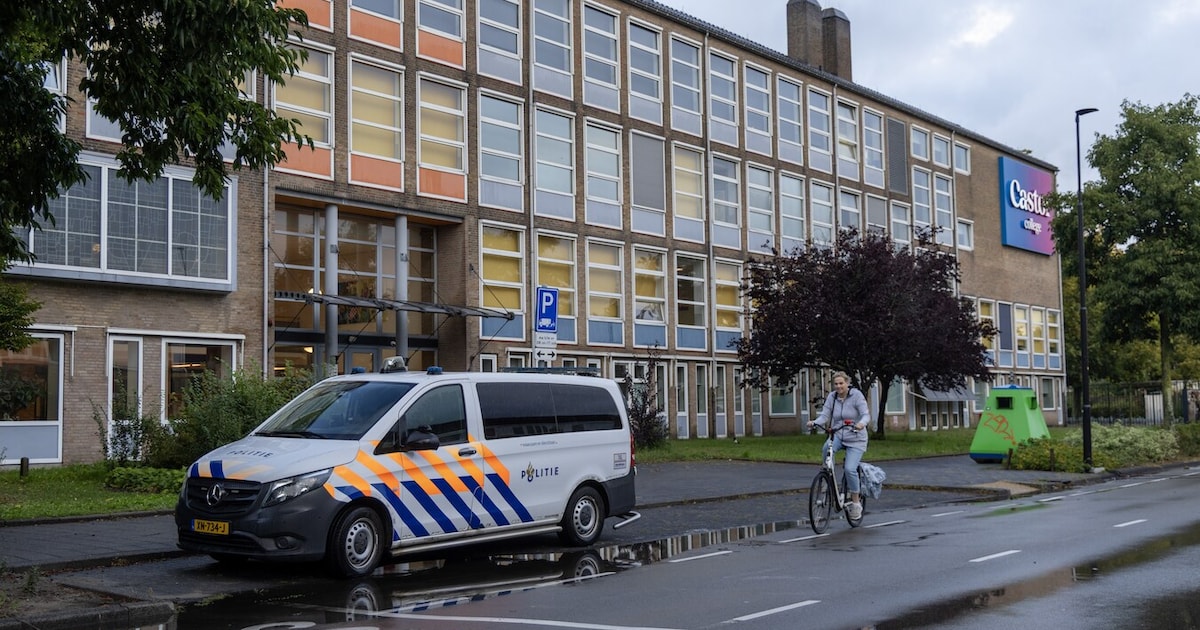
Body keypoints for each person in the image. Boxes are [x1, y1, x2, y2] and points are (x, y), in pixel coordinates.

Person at [806, 371, 870, 519]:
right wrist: (815, 423)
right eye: (836, 384)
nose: (839, 386)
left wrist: (861, 424)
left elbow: (866, 414)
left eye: (841, 383)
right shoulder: (832, 397)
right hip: (838, 435)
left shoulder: (856, 396)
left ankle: (855, 502)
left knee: (849, 468)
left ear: (847, 383)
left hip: (856, 437)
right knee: (825, 449)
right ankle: (827, 478)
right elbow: (825, 415)